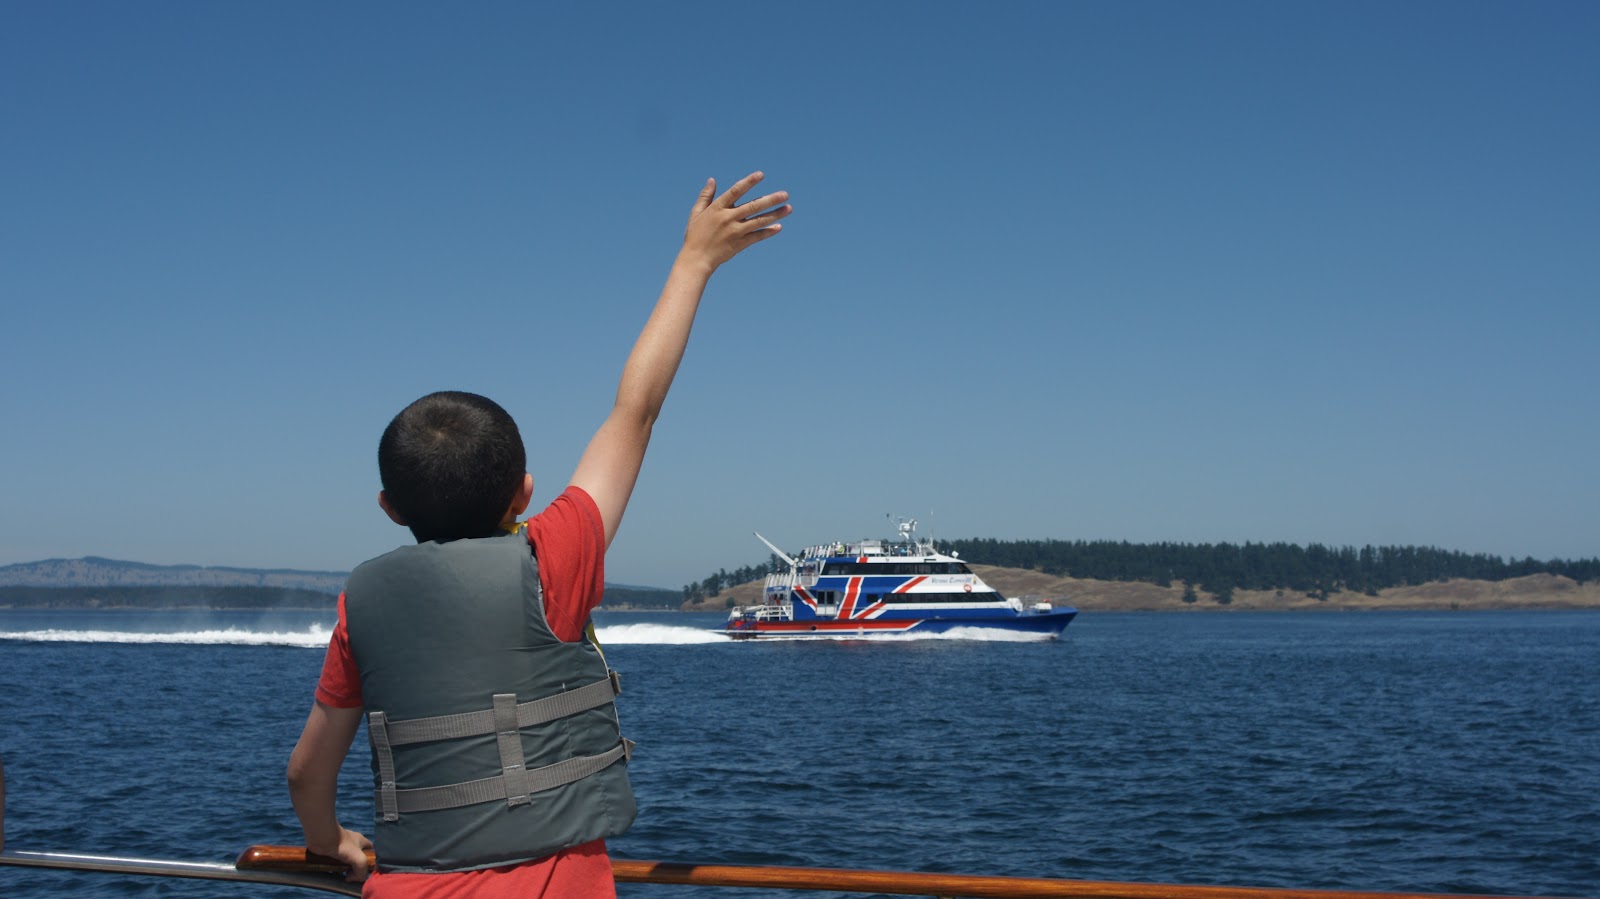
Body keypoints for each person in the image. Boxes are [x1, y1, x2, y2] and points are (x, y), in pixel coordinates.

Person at [286, 172, 790, 898]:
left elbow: (307, 773)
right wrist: (694, 261)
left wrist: (327, 840)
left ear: (390, 508)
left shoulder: (360, 604)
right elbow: (636, 412)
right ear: (524, 493)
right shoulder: (553, 558)